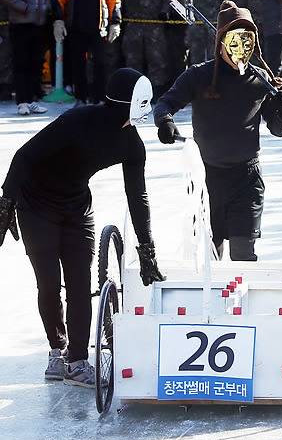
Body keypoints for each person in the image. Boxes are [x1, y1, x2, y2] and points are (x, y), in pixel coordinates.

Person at [0, 68, 165, 387]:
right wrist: (6, 204)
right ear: (126, 103)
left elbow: (138, 197)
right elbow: (23, 157)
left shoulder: (131, 144)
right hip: (36, 204)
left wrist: (147, 250)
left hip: (77, 206)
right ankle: (56, 350)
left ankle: (76, 360)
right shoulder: (77, 121)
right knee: (48, 283)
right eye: (140, 104)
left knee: (79, 282)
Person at [154, 1, 282, 260]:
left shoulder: (260, 79)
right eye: (235, 38)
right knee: (209, 259)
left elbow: (277, 129)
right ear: (221, 42)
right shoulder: (198, 76)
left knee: (243, 255)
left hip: (247, 179)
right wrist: (164, 122)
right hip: (205, 179)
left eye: (248, 40)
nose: (242, 48)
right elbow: (165, 103)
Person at [52, 0, 121, 106]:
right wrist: (58, 20)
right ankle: (81, 98)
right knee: (78, 64)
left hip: (99, 26)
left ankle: (100, 99)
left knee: (101, 64)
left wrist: (115, 22)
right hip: (76, 25)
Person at [118, 0, 176, 102]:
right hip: (132, 23)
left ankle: (156, 94)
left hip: (155, 24)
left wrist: (165, 11)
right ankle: (134, 94)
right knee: (133, 59)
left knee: (157, 60)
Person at [0, 0, 50, 116]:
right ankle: (22, 101)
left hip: (39, 24)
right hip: (20, 24)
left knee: (36, 63)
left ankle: (32, 100)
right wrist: (24, 7)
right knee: (21, 63)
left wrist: (47, 9)